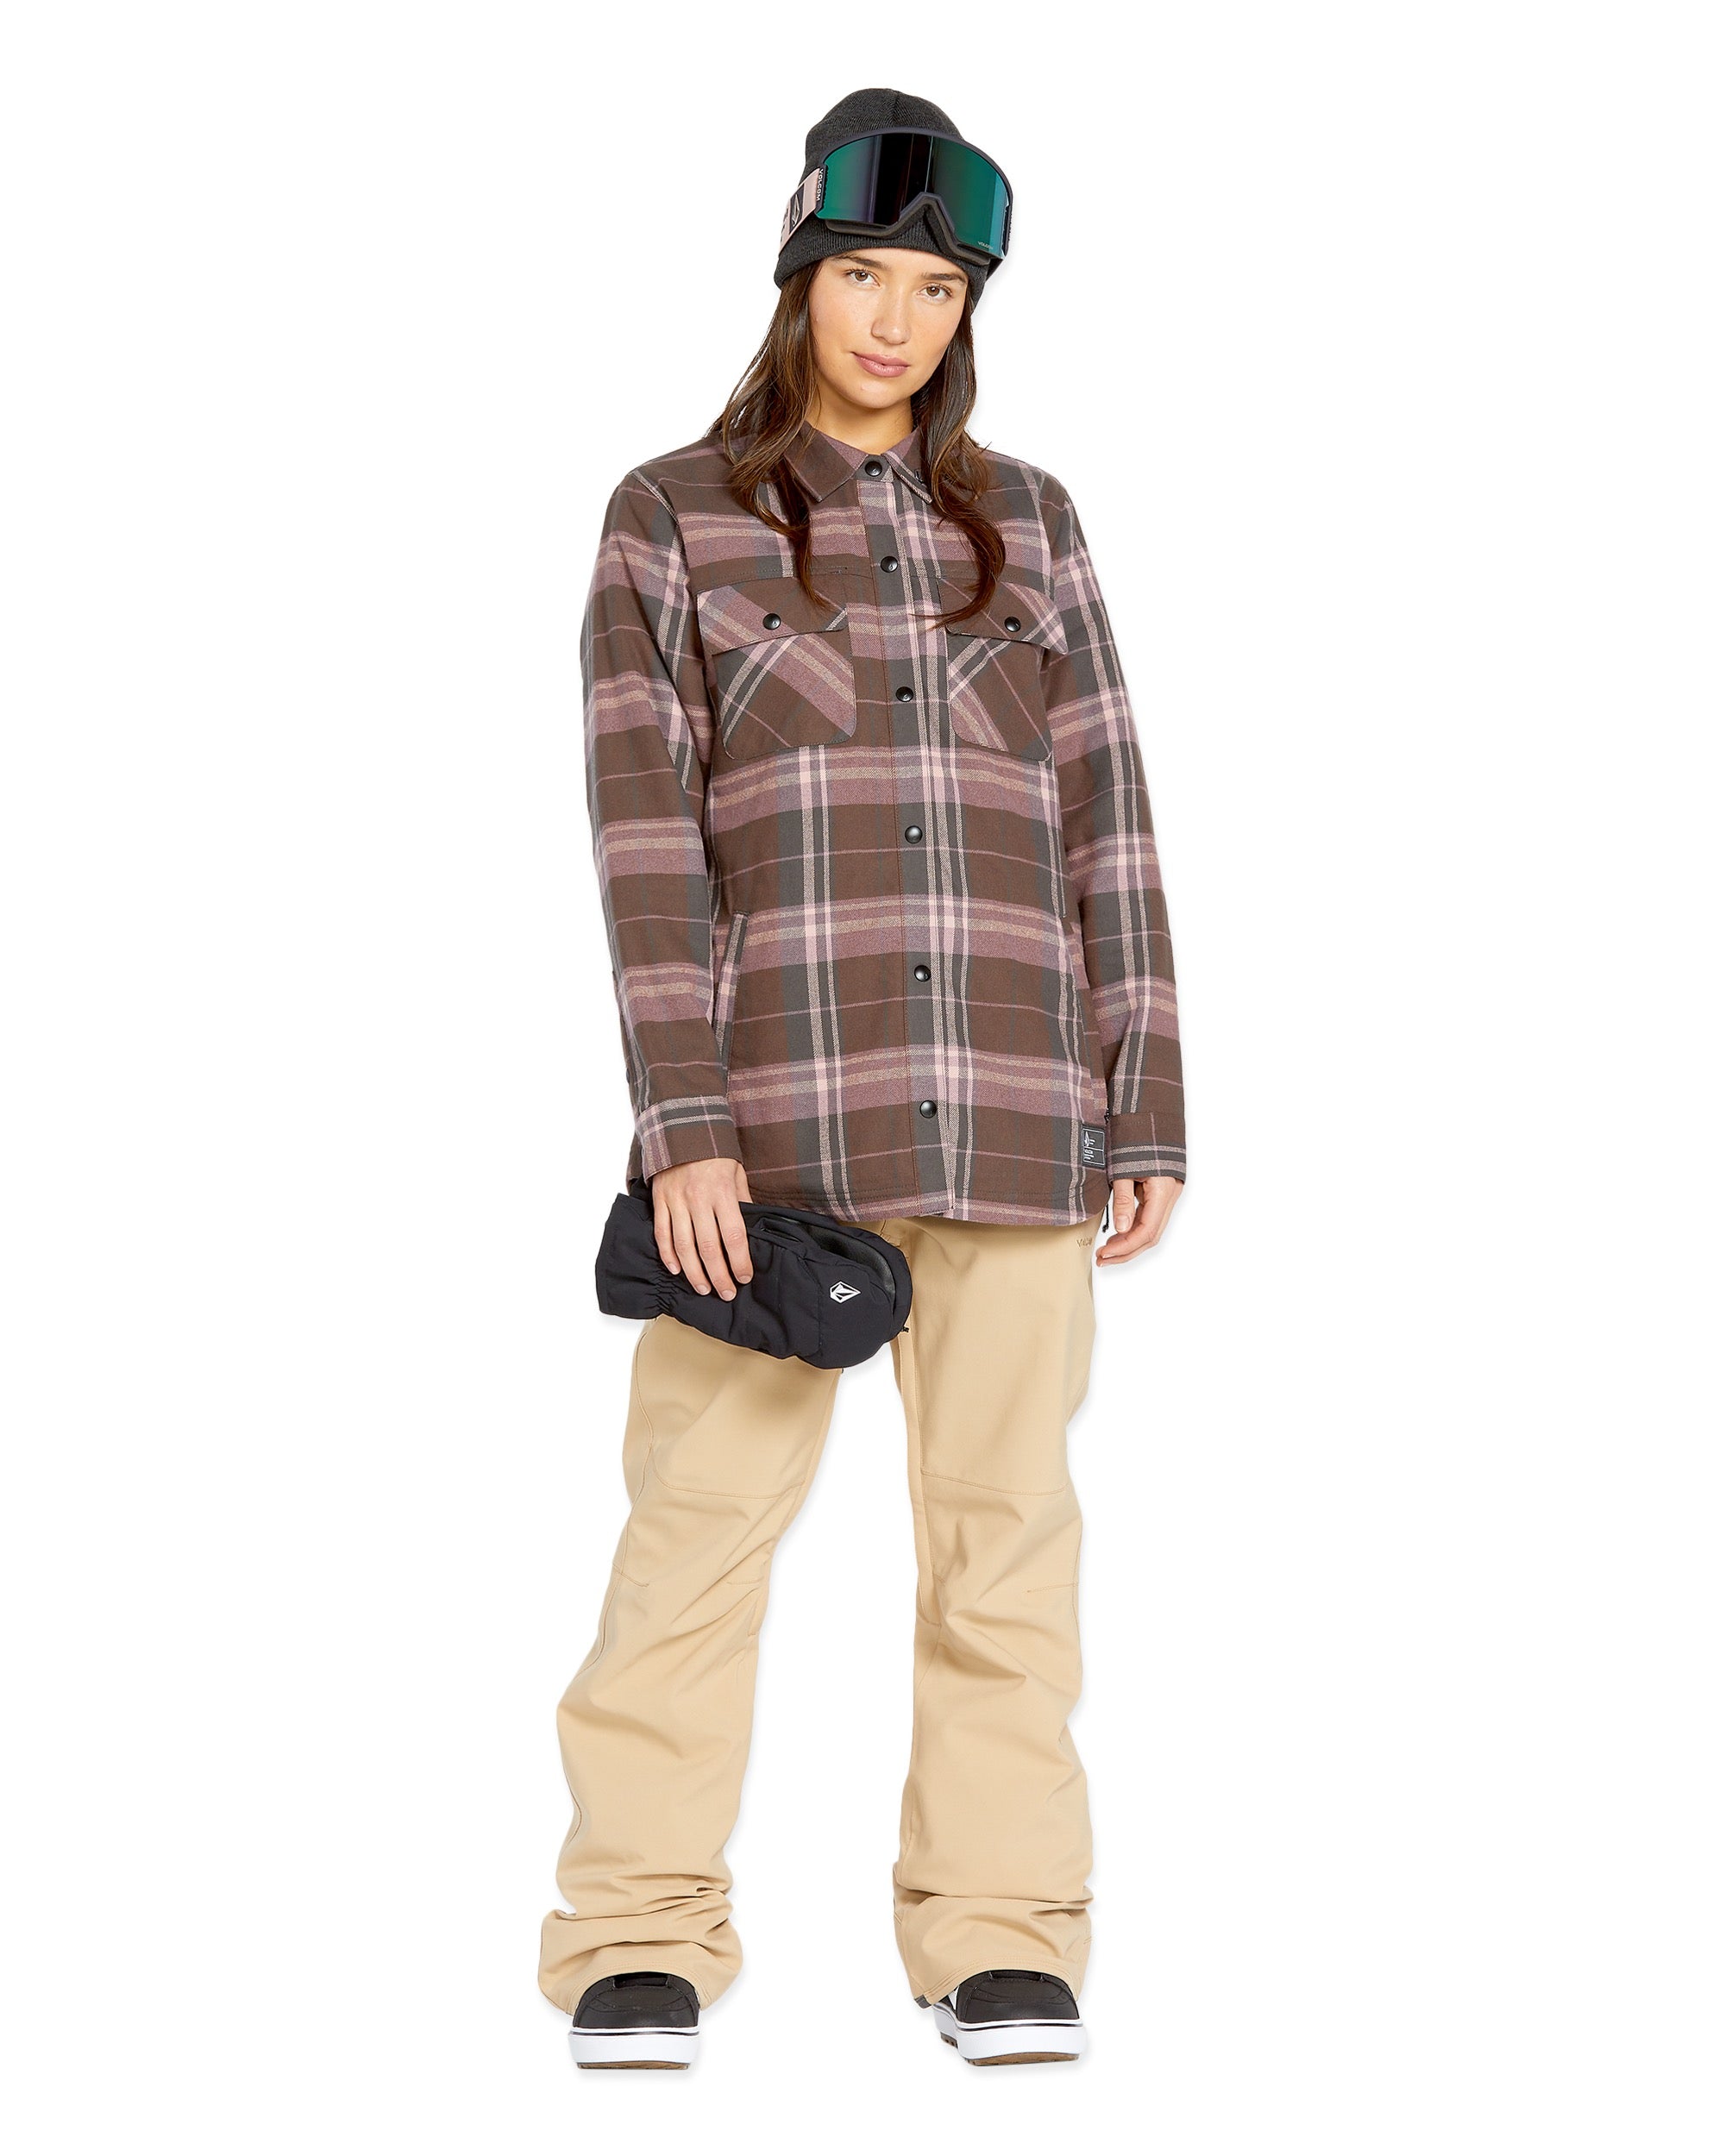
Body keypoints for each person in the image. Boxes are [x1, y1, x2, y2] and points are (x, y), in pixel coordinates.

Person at [541, 85, 1186, 2071]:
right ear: (798, 274)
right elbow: (647, 839)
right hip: (774, 1143)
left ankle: (1000, 1931)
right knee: (694, 1534)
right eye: (863, 277)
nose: (894, 322)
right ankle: (635, 1929)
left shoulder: (1034, 524)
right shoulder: (674, 517)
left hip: (1017, 1114)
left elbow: (1107, 816)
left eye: (934, 288)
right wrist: (685, 1130)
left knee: (1006, 1543)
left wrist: (1148, 1097)